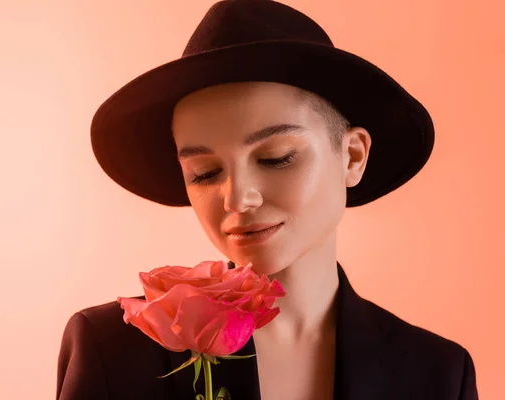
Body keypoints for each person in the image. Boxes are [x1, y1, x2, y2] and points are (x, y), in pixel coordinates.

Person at [56, 1, 479, 399]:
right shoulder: (112, 350)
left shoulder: (436, 374)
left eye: (276, 158)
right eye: (204, 173)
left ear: (352, 156)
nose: (238, 198)